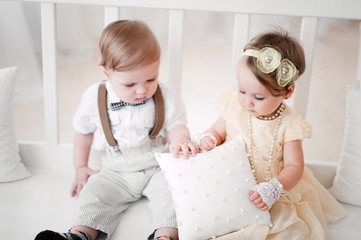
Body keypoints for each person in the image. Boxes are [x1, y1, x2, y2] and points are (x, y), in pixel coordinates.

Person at [35, 20, 197, 240]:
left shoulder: (166, 95)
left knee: (174, 194)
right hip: (117, 171)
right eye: (130, 85)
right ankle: (80, 234)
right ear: (107, 73)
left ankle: (165, 236)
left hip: (159, 166)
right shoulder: (95, 97)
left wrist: (180, 138)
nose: (142, 90)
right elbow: (83, 132)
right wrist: (81, 166)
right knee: (94, 194)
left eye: (151, 78)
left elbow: (177, 125)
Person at [198, 29, 346, 239]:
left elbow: (294, 166)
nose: (247, 102)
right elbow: (216, 131)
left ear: (287, 92)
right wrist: (209, 138)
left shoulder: (290, 125)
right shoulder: (234, 106)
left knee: (277, 230)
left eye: (258, 97)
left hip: (267, 192)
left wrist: (274, 188)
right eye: (241, 91)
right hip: (229, 179)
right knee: (209, 214)